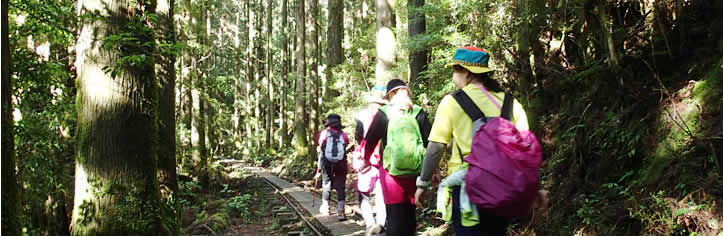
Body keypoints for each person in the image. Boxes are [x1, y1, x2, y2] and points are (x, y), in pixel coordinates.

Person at [413, 46, 530, 235]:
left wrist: (422, 183)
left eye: (454, 71)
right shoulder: (511, 102)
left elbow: (436, 147)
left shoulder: (452, 102)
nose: (453, 77)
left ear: (465, 72)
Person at [363, 79, 432, 236]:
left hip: (390, 173)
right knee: (409, 214)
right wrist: (433, 171)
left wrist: (366, 160)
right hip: (415, 172)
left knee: (394, 215)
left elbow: (370, 140)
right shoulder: (418, 112)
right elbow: (430, 143)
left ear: (390, 95)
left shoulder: (384, 113)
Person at [352, 86, 388, 235]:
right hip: (385, 160)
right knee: (382, 195)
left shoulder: (362, 116)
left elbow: (358, 136)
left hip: (367, 160)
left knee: (364, 193)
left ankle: (369, 223)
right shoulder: (389, 114)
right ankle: (380, 224)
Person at [315, 113, 350, 221]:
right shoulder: (343, 135)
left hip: (327, 162)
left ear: (328, 123)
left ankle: (326, 208)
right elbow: (346, 144)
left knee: (326, 183)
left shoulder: (324, 133)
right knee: (341, 187)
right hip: (341, 163)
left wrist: (319, 166)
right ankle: (341, 211)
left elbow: (320, 147)